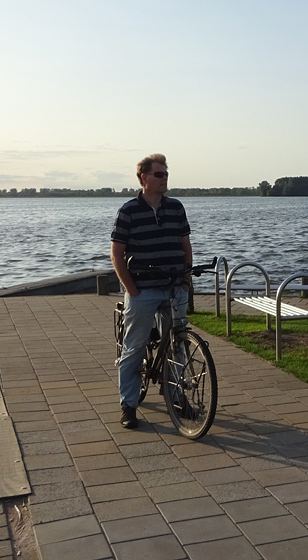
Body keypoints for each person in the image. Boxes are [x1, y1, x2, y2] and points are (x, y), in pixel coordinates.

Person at [110, 154, 192, 429]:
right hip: (143, 290)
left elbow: (185, 245)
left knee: (178, 345)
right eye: (159, 174)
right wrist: (131, 289)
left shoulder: (176, 208)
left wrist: (186, 280)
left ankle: (176, 396)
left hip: (174, 287)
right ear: (143, 178)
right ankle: (129, 405)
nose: (164, 178)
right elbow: (117, 254)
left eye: (166, 174)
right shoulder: (129, 211)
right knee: (134, 347)